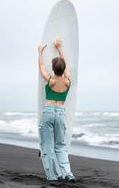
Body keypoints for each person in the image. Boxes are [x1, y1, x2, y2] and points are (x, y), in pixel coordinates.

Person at [38, 39, 76, 182]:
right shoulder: (67, 81)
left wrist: (40, 52)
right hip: (61, 113)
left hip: (48, 112)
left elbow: (41, 65)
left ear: (53, 69)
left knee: (47, 146)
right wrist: (59, 48)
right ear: (63, 69)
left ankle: (53, 176)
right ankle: (68, 173)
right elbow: (65, 66)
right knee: (60, 145)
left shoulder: (50, 80)